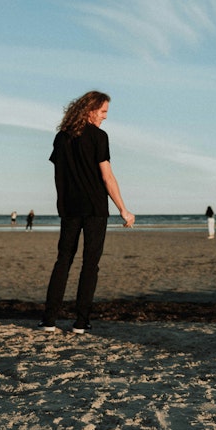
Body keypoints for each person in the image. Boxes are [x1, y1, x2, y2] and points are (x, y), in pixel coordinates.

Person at [39, 91, 135, 334]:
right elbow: (107, 176)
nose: (104, 117)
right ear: (89, 109)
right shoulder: (98, 137)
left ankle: (49, 320)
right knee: (90, 264)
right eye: (102, 112)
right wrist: (123, 209)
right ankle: (81, 322)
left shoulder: (61, 138)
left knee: (64, 261)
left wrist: (62, 202)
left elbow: (58, 176)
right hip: (94, 207)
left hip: (69, 207)